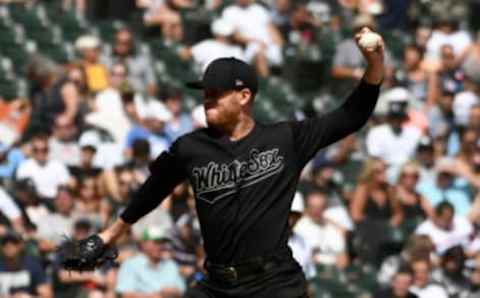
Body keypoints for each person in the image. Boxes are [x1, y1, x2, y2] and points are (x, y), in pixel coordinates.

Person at [93, 27, 384, 298]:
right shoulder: (191, 147)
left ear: (244, 96)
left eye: (216, 93)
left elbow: (351, 115)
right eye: (205, 94)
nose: (207, 100)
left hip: (274, 283)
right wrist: (111, 234)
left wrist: (374, 63)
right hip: (218, 284)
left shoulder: (285, 139)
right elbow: (153, 189)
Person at [115, 226, 186, 297]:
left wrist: (173, 291)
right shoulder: (130, 264)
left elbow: (181, 290)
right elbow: (125, 294)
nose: (160, 246)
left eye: (162, 243)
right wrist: (152, 296)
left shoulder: (170, 264)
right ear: (144, 244)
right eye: (156, 242)